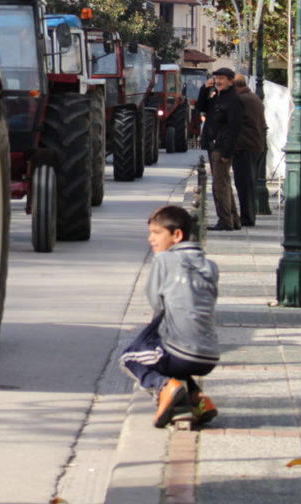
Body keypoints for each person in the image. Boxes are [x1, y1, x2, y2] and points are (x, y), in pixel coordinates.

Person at [119, 205, 220, 428]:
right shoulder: (211, 266)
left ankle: (165, 387)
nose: (150, 239)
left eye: (156, 233)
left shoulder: (164, 261)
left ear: (177, 235)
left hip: (181, 351)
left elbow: (157, 304)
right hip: (210, 355)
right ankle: (198, 399)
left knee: (130, 358)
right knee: (170, 357)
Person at [205, 67, 241, 231]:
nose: (218, 81)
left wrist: (227, 152)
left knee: (219, 186)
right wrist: (203, 90)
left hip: (222, 147)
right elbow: (202, 107)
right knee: (224, 184)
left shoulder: (233, 100)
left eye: (222, 79)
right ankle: (233, 219)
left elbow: (235, 128)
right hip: (215, 145)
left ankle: (225, 220)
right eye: (217, 78)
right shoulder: (219, 97)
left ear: (230, 81)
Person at [232, 75, 265, 227]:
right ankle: (248, 215)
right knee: (248, 183)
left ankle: (247, 217)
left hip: (245, 146)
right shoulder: (253, 98)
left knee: (244, 184)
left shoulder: (242, 100)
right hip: (254, 145)